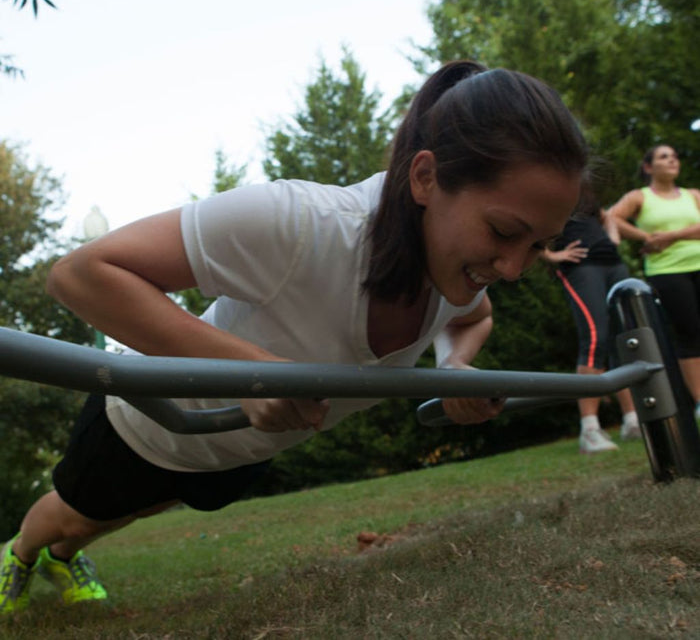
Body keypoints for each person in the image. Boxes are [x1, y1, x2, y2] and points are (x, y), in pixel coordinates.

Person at [0, 60, 587, 614]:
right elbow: (81, 275)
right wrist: (251, 371)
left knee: (139, 511)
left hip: (252, 446)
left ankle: (63, 556)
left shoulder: (454, 276)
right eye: (503, 231)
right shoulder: (304, 224)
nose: (512, 268)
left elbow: (473, 318)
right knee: (79, 516)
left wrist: (454, 367)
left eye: (536, 245)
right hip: (148, 424)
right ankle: (24, 555)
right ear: (426, 178)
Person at [541, 187, 641, 454]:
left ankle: (632, 420)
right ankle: (589, 430)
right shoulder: (544, 189)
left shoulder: (584, 192)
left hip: (613, 263)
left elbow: (606, 216)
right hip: (580, 267)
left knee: (624, 337)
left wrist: (612, 237)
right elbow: (528, 228)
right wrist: (551, 256)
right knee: (596, 337)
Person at [609, 144, 700, 420]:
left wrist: (670, 236)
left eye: (674, 156)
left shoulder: (693, 195)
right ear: (649, 167)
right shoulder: (640, 197)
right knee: (690, 334)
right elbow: (611, 217)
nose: (672, 160)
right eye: (664, 157)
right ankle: (699, 402)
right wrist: (646, 238)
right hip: (668, 272)